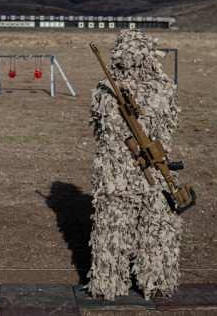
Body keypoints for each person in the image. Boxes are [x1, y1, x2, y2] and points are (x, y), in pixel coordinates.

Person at [86, 29, 182, 300]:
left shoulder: (104, 91)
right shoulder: (164, 89)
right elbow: (168, 127)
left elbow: (99, 127)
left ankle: (108, 284)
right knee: (157, 228)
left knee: (112, 229)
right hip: (151, 171)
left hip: (116, 172)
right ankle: (158, 282)